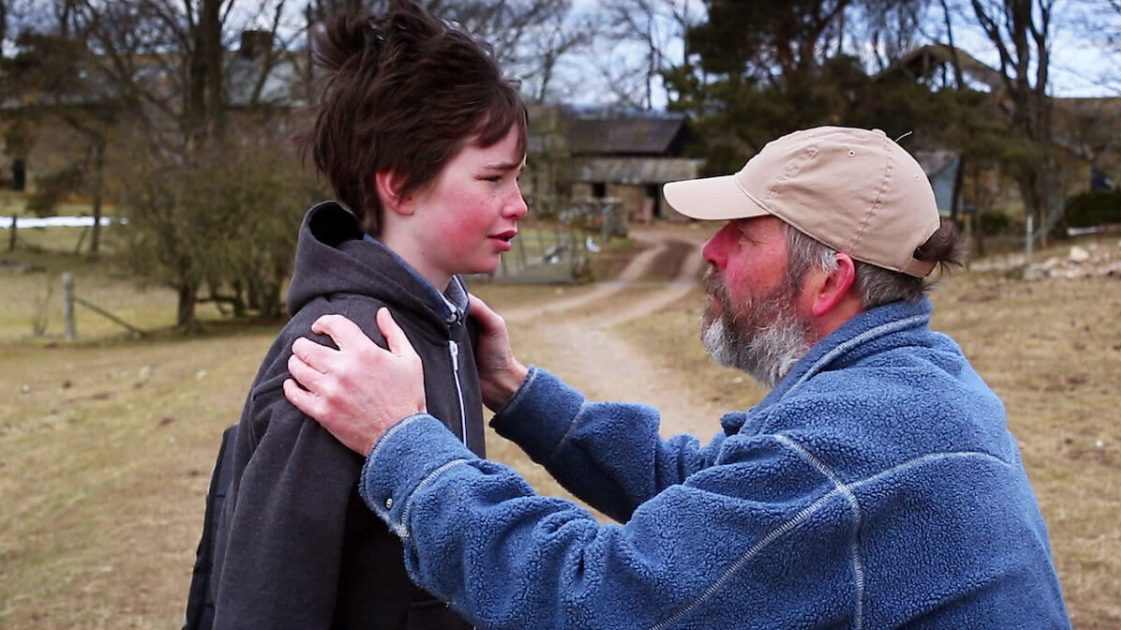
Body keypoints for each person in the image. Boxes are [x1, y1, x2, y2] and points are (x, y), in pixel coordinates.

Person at [284, 127, 1071, 628]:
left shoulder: (850, 448)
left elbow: (598, 598)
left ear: (828, 280)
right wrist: (520, 392)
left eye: (742, 233)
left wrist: (406, 447)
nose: (710, 251)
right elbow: (713, 491)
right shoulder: (914, 380)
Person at [208, 0, 527, 627]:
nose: (519, 203)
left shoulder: (448, 325)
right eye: (494, 178)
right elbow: (267, 602)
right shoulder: (337, 353)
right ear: (401, 185)